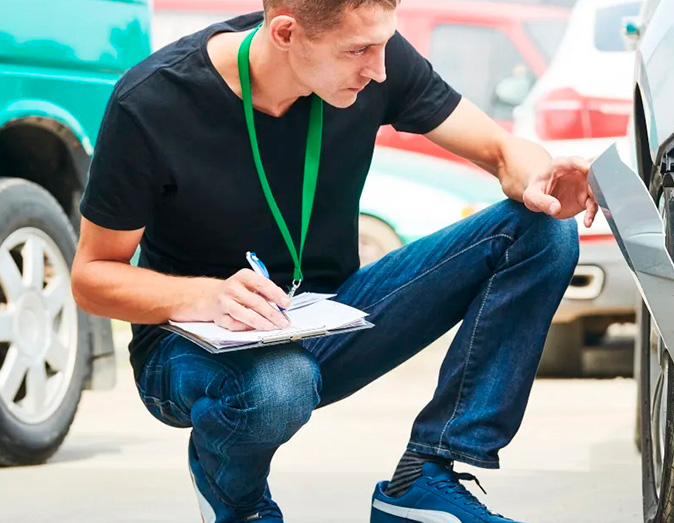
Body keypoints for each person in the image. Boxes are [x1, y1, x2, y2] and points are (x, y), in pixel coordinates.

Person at [70, 1, 597, 522]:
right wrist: (205, 296)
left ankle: (428, 476)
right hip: (191, 343)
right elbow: (92, 278)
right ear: (284, 33)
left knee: (541, 230)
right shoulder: (153, 102)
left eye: (384, 44)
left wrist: (540, 180)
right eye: (357, 51)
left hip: (328, 317)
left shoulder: (373, 55)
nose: (379, 68)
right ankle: (238, 501)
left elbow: (503, 151)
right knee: (280, 384)